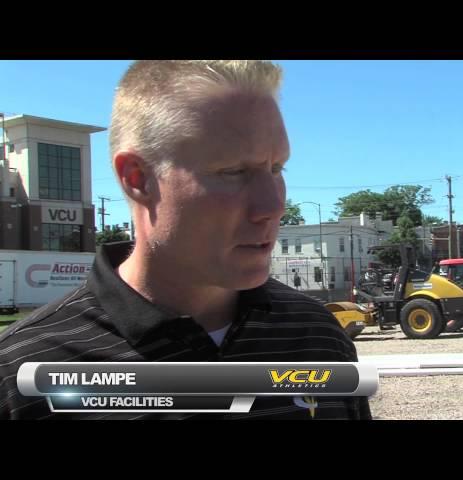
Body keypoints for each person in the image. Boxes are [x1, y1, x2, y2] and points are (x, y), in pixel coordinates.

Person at [0, 60, 372, 420]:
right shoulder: (24, 371)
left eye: (276, 168)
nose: (273, 205)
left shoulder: (316, 338)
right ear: (137, 178)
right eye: (233, 171)